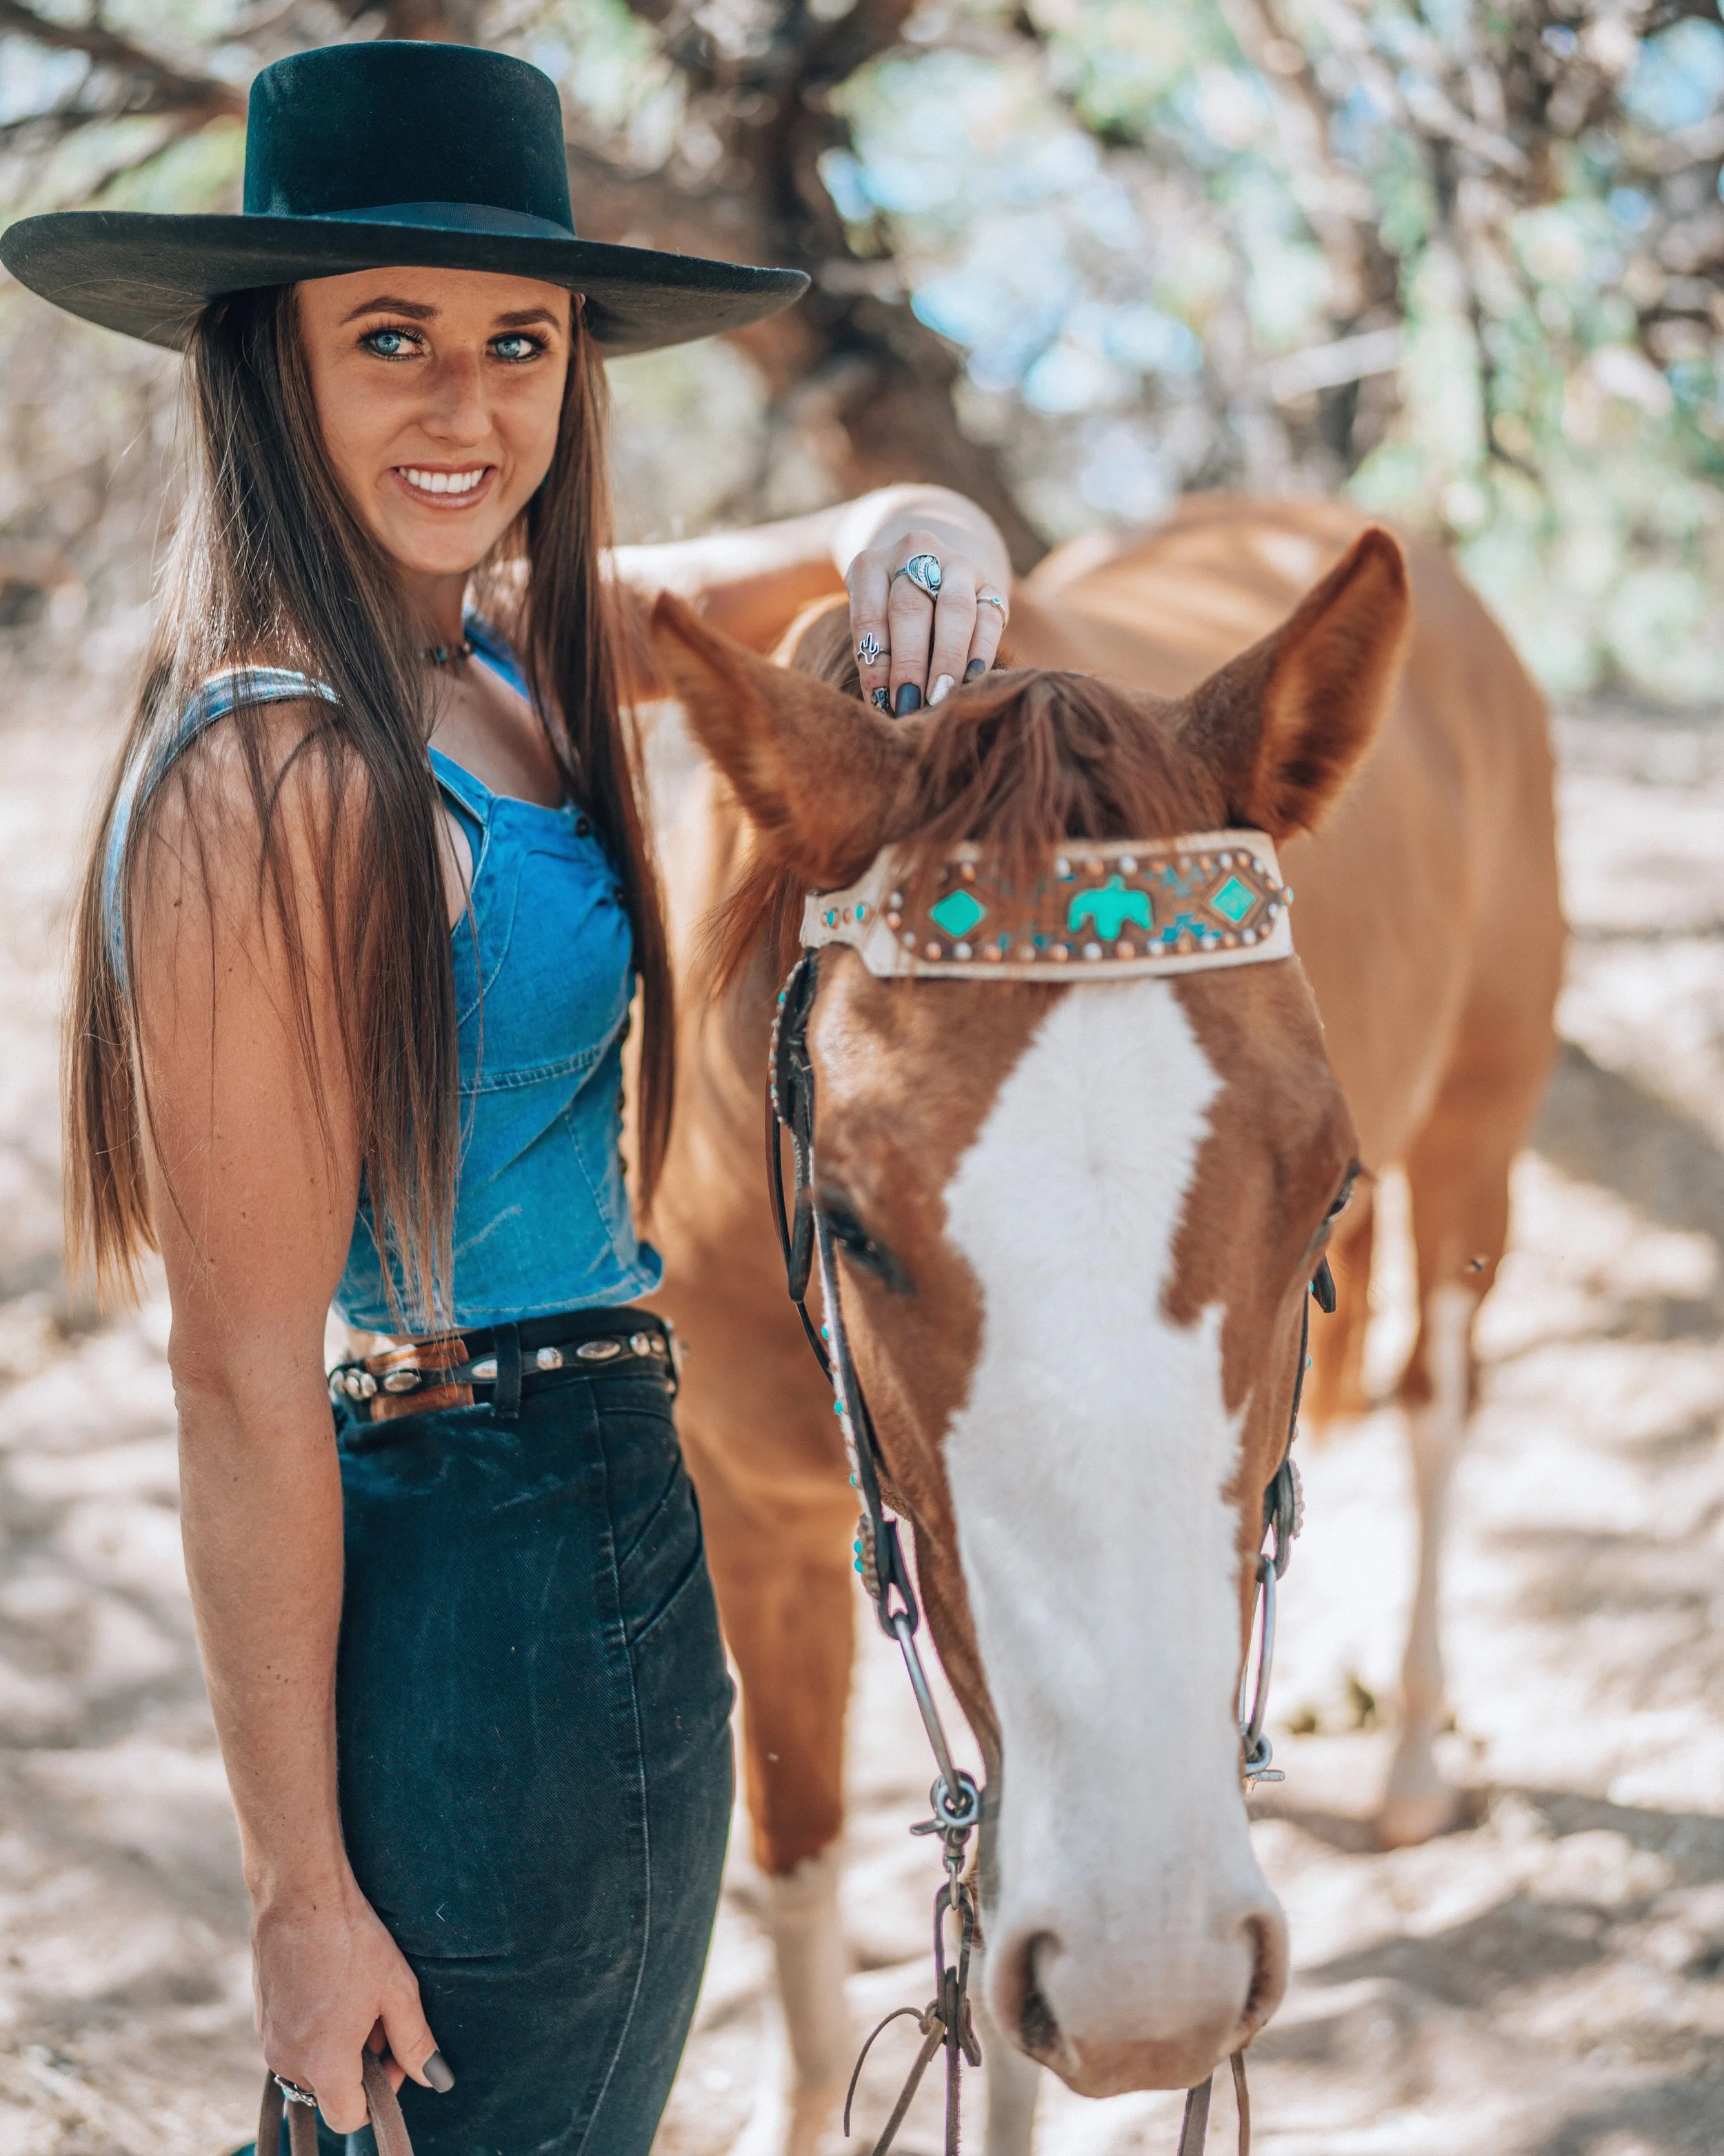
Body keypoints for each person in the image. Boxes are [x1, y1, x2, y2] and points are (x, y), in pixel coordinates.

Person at [1, 37, 1013, 2156]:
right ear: (267, 367)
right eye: (391, 341)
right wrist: (296, 1893)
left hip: (615, 1527)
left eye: (518, 345)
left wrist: (911, 527)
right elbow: (238, 1380)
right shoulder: (280, 769)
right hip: (468, 1558)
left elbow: (781, 564)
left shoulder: (499, 651)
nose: (466, 410)